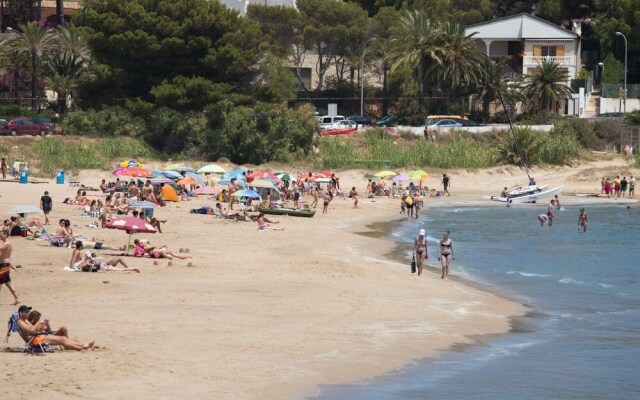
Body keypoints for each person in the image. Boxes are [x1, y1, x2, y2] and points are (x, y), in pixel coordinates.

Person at [15, 305, 94, 351]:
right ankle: (81, 348)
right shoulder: (19, 322)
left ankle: (83, 345)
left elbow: (34, 329)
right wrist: (38, 323)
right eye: (26, 312)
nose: (28, 313)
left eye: (29, 311)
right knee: (62, 340)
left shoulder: (26, 321)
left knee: (63, 337)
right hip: (34, 340)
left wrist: (42, 326)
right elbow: (30, 330)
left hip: (38, 337)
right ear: (20, 313)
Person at [0, 230, 19, 305]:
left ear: (5, 235)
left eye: (1, 234)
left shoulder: (7, 243)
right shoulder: (5, 243)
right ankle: (17, 298)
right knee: (8, 283)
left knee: (1, 283)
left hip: (4, 266)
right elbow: (4, 256)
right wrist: (13, 267)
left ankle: (17, 298)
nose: (0, 236)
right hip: (4, 265)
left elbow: (1, 249)